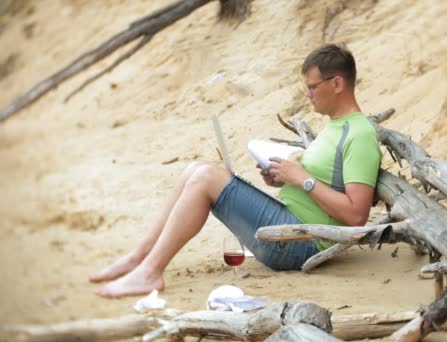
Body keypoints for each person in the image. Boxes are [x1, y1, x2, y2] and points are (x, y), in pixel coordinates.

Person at [90, 43, 382, 298]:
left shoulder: (360, 135)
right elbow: (317, 186)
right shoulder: (335, 127)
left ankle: (150, 272)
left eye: (312, 86)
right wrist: (281, 177)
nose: (307, 94)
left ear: (338, 84)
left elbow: (357, 216)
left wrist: (301, 179)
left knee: (207, 177)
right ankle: (139, 258)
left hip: (302, 246)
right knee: (198, 167)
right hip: (288, 228)